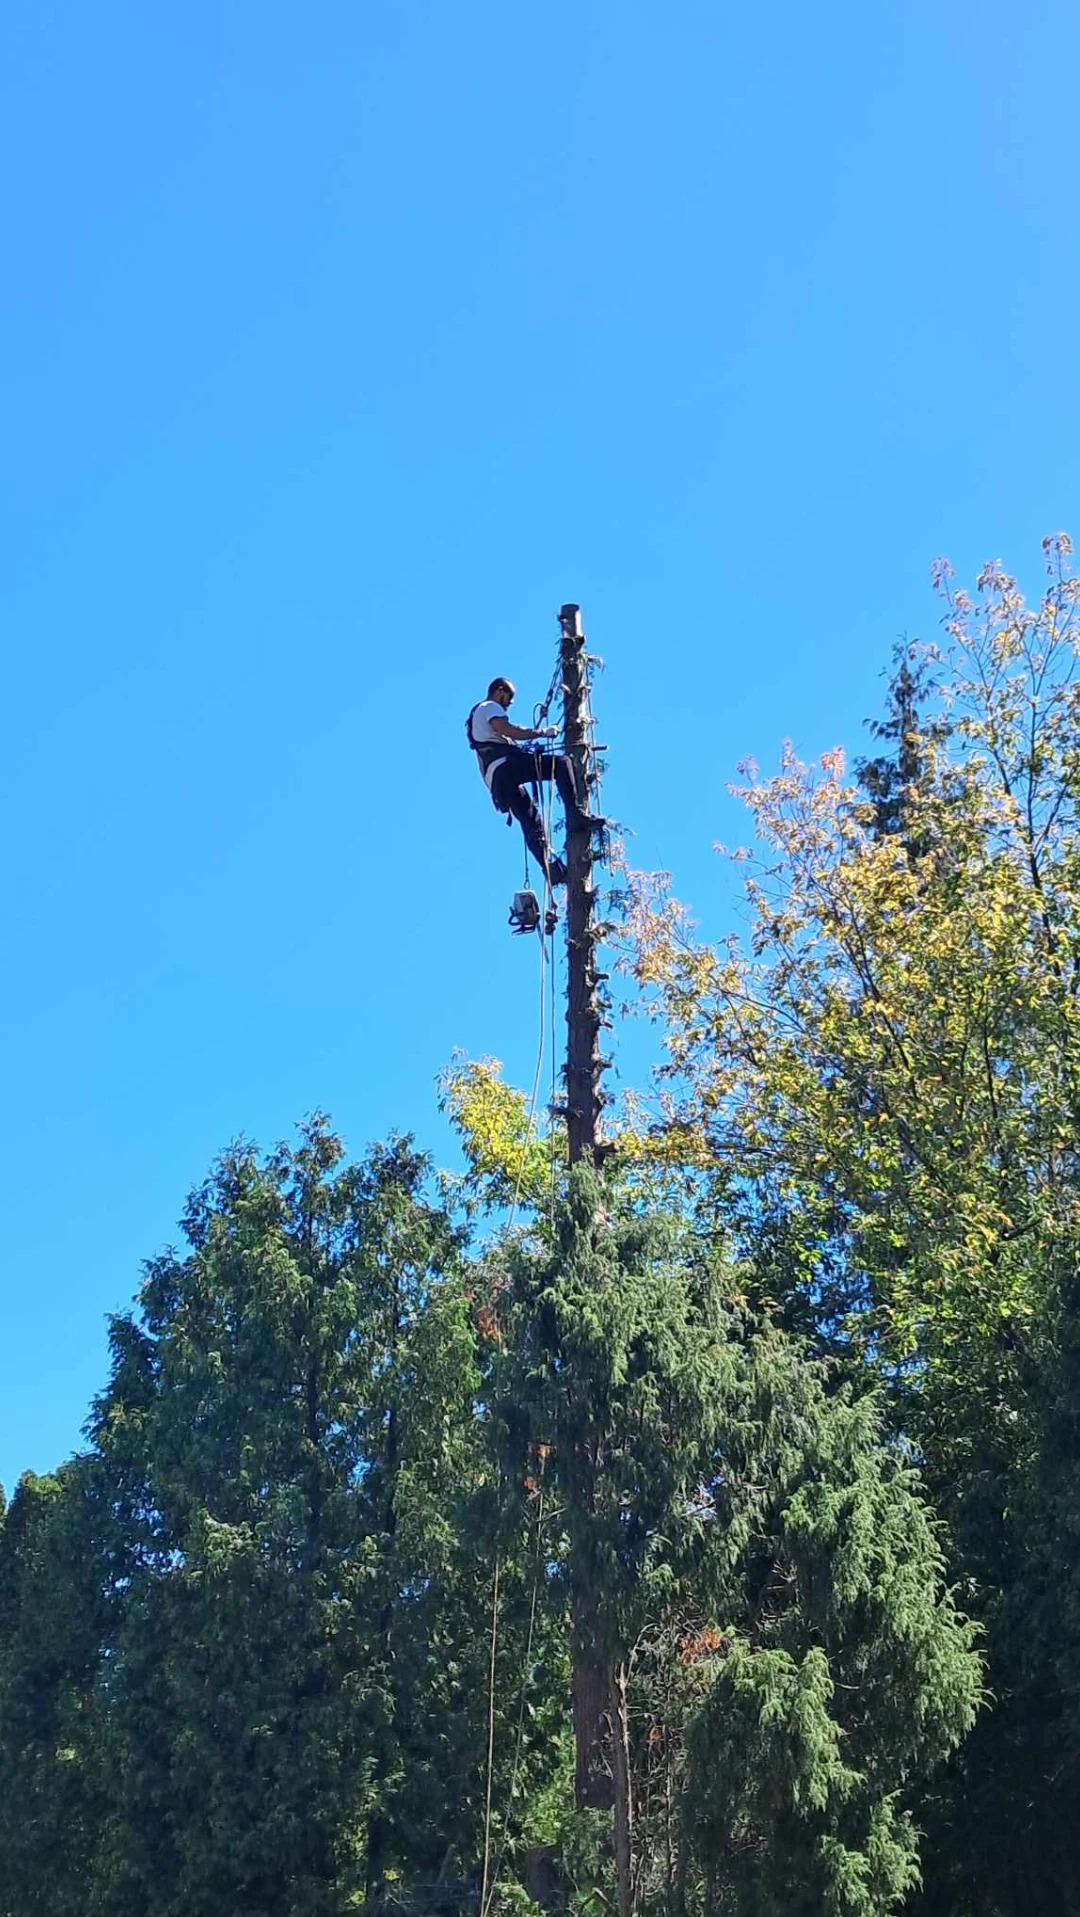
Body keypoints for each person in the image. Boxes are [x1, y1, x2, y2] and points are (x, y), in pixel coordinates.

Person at [466, 677, 602, 885]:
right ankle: (576, 816)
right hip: (506, 768)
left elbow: (506, 735)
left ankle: (550, 869)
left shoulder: (479, 722)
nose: (508, 704)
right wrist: (541, 733)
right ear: (499, 690)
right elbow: (507, 729)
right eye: (508, 698)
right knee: (561, 764)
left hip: (499, 781)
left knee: (532, 821)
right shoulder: (488, 707)